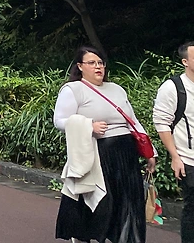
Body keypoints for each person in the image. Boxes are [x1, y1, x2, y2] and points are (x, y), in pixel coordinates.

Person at [55, 45, 154, 242]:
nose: (98, 67)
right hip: (97, 153)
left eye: (100, 63)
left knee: (128, 201)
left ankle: (126, 238)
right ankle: (85, 235)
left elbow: (133, 121)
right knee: (100, 201)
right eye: (92, 63)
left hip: (125, 153)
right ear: (80, 66)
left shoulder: (116, 89)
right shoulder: (73, 89)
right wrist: (88, 125)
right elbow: (59, 121)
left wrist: (150, 152)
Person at [154, 41, 194, 243]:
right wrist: (175, 157)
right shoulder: (173, 88)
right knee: (192, 209)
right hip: (189, 159)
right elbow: (162, 123)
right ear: (185, 61)